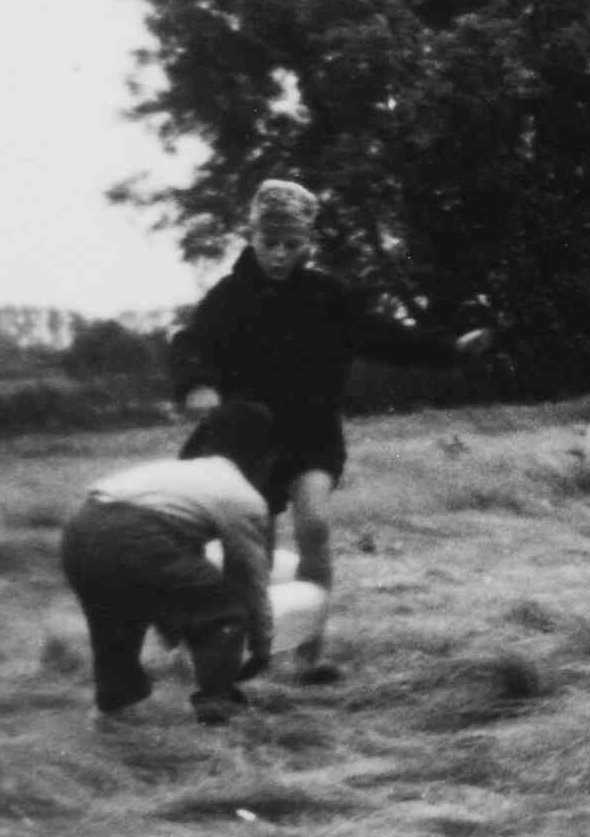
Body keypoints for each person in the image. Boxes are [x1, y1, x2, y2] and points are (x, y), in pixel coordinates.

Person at [170, 179, 493, 655]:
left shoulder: (328, 295)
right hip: (251, 442)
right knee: (256, 549)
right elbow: (190, 343)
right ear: (252, 239)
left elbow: (383, 335)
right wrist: (198, 384)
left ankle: (309, 655)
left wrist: (450, 351)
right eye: (269, 243)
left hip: (314, 434)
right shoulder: (227, 297)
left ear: (309, 244)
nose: (279, 254)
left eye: (292, 244)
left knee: (315, 527)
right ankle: (259, 649)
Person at [60, 400, 282, 723]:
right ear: (262, 459)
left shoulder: (179, 473)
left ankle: (115, 713)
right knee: (227, 612)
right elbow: (249, 581)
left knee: (117, 630)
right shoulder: (243, 497)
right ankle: (216, 707)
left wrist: (177, 630)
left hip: (80, 530)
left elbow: (177, 573)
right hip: (132, 536)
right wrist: (262, 646)